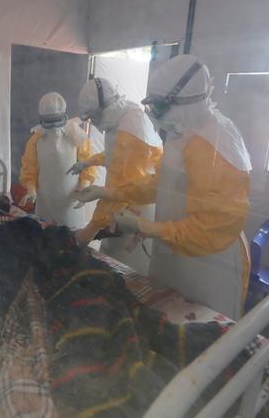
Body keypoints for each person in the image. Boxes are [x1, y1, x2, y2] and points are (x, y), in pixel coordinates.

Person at [103, 55, 251, 319]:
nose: (154, 116)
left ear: (185, 102)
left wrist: (144, 227)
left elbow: (208, 229)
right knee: (166, 325)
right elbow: (159, 185)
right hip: (173, 249)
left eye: (158, 107)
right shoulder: (182, 132)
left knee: (203, 343)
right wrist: (109, 192)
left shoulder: (213, 144)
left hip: (207, 264)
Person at [68, 78, 162, 273]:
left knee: (124, 270)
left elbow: (124, 187)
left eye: (93, 116)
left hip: (134, 208)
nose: (92, 122)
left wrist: (91, 228)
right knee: (110, 260)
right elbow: (114, 156)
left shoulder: (131, 128)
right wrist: (88, 162)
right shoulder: (123, 116)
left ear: (105, 107)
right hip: (121, 203)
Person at [19, 92, 95, 229]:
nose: (53, 125)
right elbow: (29, 167)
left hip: (71, 197)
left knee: (72, 238)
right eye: (49, 121)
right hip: (46, 199)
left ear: (64, 116)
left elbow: (88, 163)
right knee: (47, 236)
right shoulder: (36, 140)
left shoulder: (76, 135)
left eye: (56, 120)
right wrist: (30, 188)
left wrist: (85, 184)